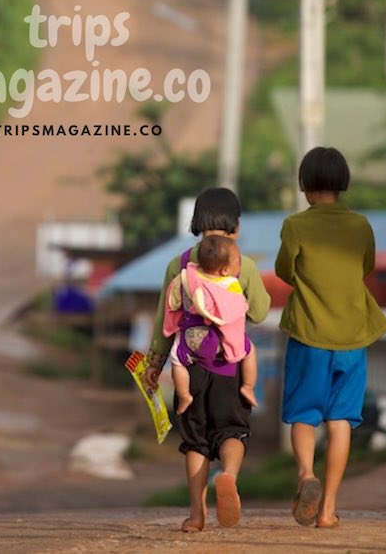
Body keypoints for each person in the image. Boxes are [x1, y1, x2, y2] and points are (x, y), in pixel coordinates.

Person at [275, 147, 386, 529]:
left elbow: (284, 271)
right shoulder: (360, 226)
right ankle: (327, 512)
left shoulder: (295, 225)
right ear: (343, 184)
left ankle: (307, 474)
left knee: (305, 416)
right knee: (341, 420)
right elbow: (366, 265)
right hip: (352, 338)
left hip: (309, 335)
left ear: (305, 186)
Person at [144, 187, 270, 532]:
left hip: (191, 367)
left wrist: (155, 361)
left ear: (197, 222)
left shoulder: (179, 264)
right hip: (230, 368)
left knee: (196, 441)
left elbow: (162, 318)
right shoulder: (243, 264)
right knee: (231, 431)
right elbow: (259, 312)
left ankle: (196, 515)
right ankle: (227, 474)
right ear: (236, 225)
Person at [164, 234, 258, 415]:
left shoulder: (185, 278)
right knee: (249, 350)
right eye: (237, 262)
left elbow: (173, 302)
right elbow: (238, 309)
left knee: (177, 359)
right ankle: (248, 386)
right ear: (224, 270)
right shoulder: (231, 284)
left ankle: (184, 395)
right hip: (221, 344)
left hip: (191, 341)